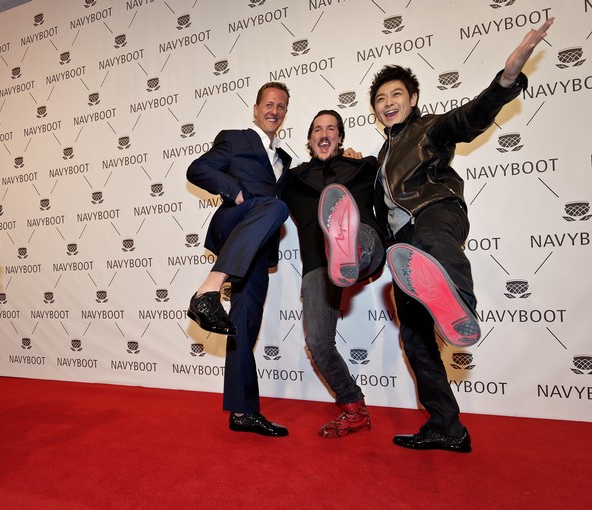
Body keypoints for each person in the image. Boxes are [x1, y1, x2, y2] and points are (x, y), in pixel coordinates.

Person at [370, 18, 554, 452]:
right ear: (375, 111)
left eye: (397, 94)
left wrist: (507, 79)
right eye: (380, 99)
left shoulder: (428, 128)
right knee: (415, 341)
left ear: (413, 100)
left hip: (434, 212)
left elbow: (468, 118)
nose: (389, 102)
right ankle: (447, 427)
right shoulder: (381, 158)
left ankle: (459, 305)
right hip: (403, 250)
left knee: (435, 244)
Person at [186, 82, 292, 436]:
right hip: (235, 224)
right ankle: (208, 289)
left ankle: (243, 412)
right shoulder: (235, 139)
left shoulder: (285, 160)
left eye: (280, 107)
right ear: (256, 108)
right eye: (268, 104)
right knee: (276, 205)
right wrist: (236, 192)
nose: (274, 111)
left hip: (257, 249)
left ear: (285, 113)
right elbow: (197, 170)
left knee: (244, 324)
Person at [283, 110, 385, 438]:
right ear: (311, 140)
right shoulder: (293, 181)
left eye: (331, 128)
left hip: (365, 244)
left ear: (340, 138)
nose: (324, 133)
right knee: (317, 342)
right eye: (317, 129)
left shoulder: (363, 167)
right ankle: (354, 408)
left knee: (359, 237)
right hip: (318, 264)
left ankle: (349, 250)